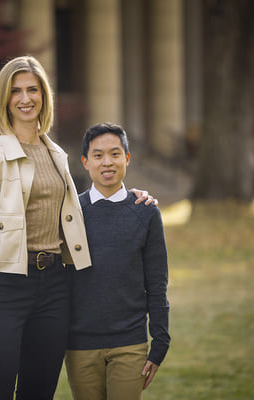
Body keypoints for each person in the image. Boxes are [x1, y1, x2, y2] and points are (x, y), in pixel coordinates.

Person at [0, 56, 156, 400]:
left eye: (33, 89)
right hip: (4, 288)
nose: (25, 98)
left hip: (54, 288)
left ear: (44, 96)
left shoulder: (56, 155)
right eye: (16, 91)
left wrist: (128, 197)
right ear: (4, 99)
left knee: (39, 391)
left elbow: (68, 211)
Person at [65, 122, 171, 400]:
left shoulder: (145, 212)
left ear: (127, 158)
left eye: (114, 154)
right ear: (85, 162)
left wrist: (160, 342)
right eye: (98, 155)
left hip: (130, 344)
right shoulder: (70, 213)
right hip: (80, 345)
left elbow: (157, 283)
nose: (107, 162)